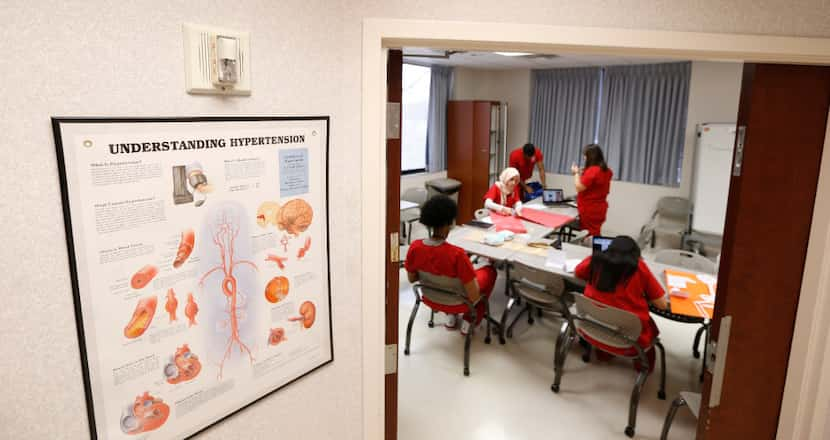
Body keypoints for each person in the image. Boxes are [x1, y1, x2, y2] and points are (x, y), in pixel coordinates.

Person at [405, 195, 497, 335]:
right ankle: (469, 320)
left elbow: (412, 278)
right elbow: (474, 297)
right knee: (490, 271)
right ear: (450, 223)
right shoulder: (457, 254)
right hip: (458, 302)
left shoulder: (415, 247)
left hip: (430, 298)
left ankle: (450, 317)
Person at [574, 236, 668, 372]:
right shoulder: (639, 267)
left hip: (593, 328)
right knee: (649, 326)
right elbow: (662, 305)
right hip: (631, 338)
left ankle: (604, 355)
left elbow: (578, 272)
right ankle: (643, 367)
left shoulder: (597, 260)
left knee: (607, 313)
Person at [571, 144, 613, 237]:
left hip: (590, 208)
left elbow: (579, 187)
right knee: (595, 232)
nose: (584, 158)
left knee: (589, 236)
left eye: (585, 155)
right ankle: (596, 249)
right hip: (600, 208)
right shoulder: (607, 170)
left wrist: (576, 173)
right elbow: (595, 184)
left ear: (591, 156)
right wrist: (584, 172)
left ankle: (592, 251)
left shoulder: (593, 170)